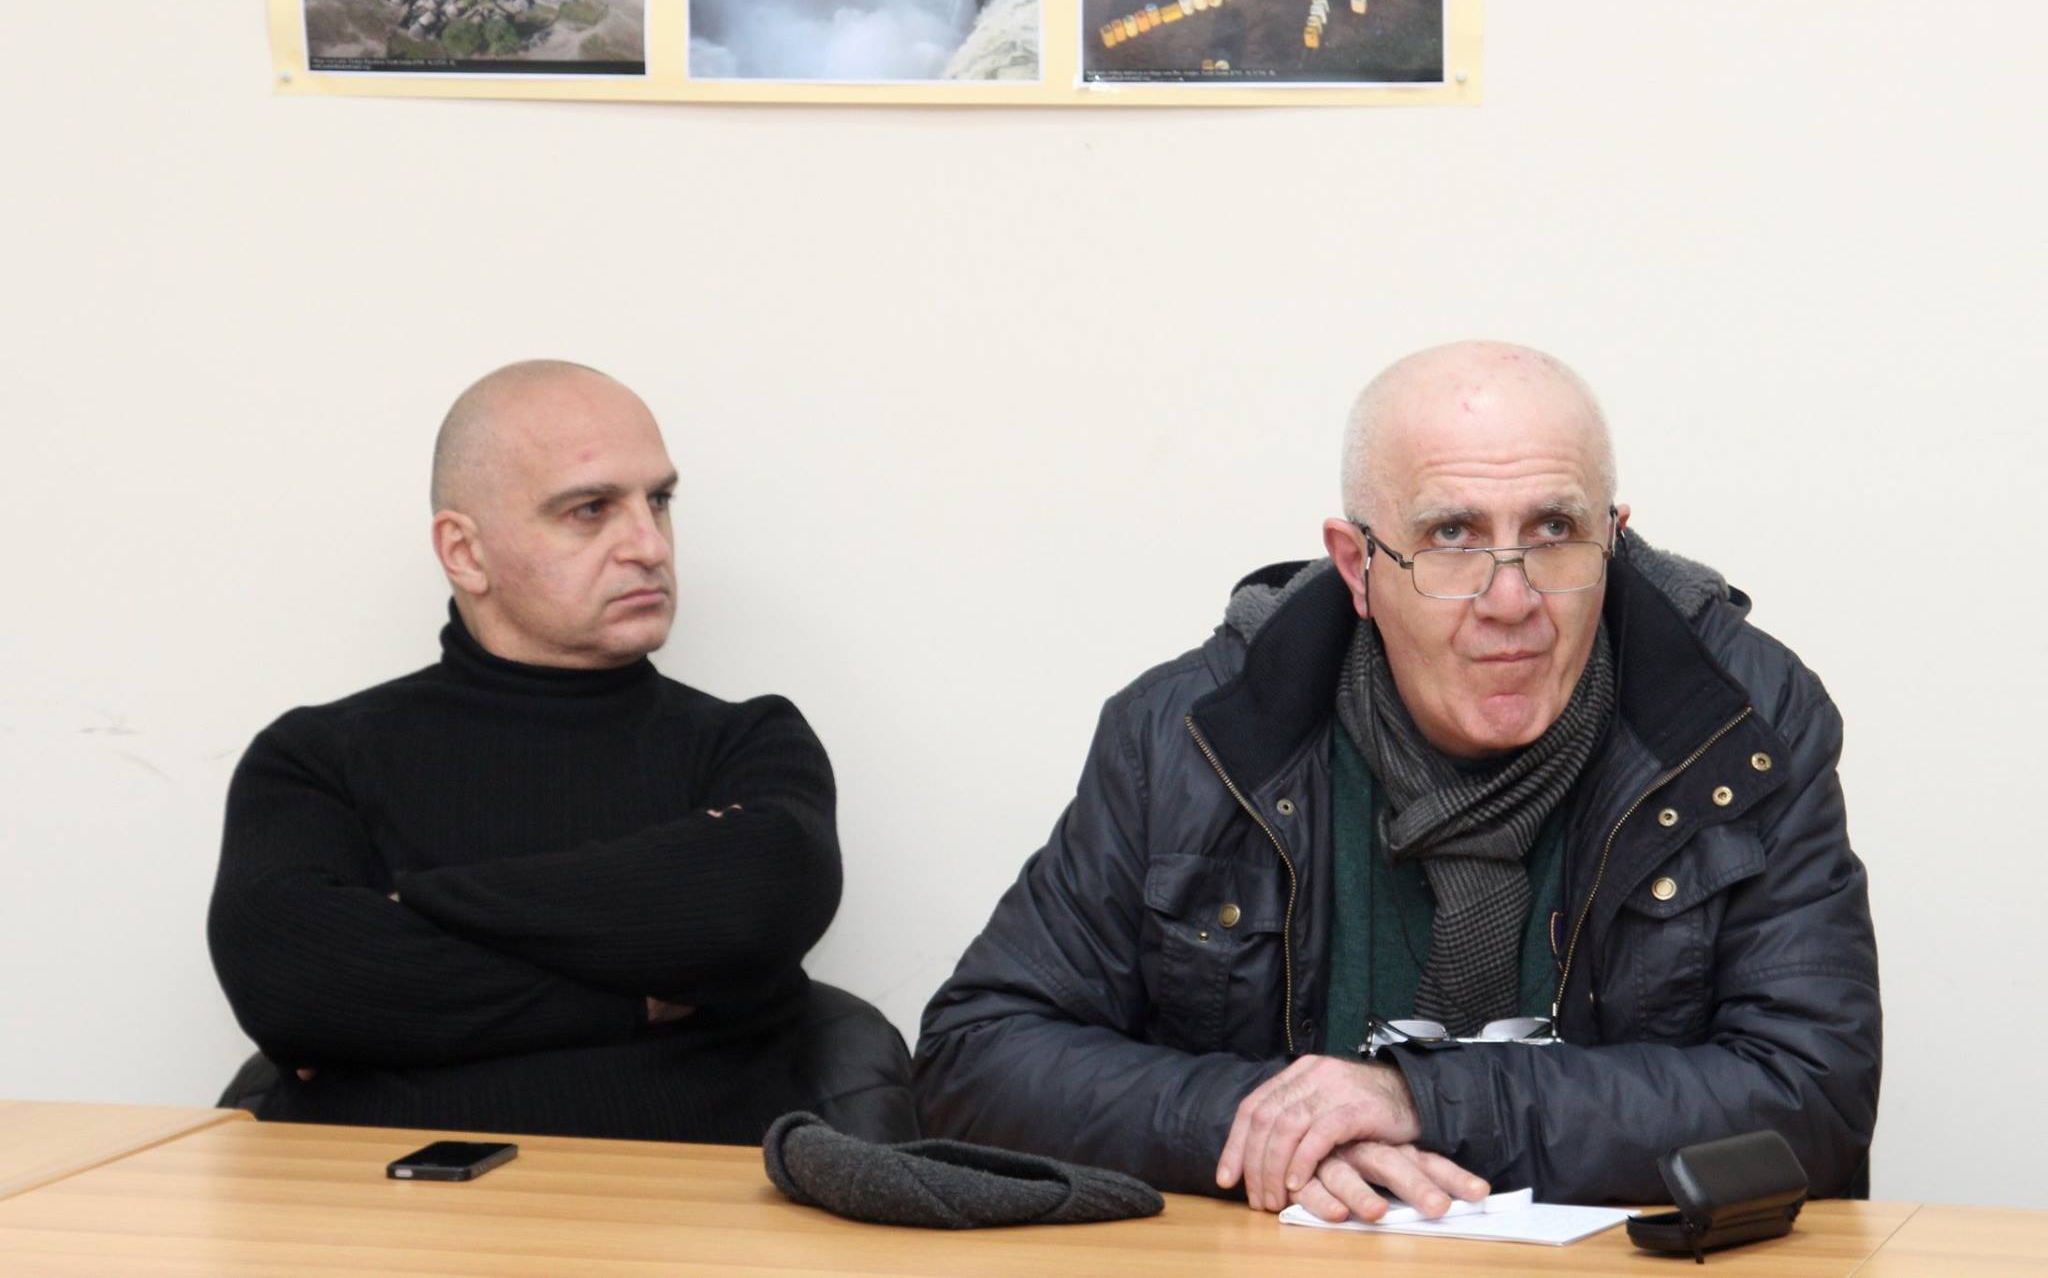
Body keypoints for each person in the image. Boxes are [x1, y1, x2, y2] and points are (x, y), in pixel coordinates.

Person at [915, 342, 1879, 1217]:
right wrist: (1271, 1123)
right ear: (1358, 568)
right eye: (1453, 535)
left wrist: (1423, 1100)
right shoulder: (1188, 739)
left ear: (1614, 541)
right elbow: (976, 1055)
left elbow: (1815, 1097)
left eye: (1555, 529)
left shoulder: (1741, 725)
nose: (1512, 598)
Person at [208, 360, 913, 1143]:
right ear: (465, 552)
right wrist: (634, 997)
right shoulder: (315, 758)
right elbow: (292, 982)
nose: (648, 544)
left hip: (689, 1208)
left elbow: (748, 911)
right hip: (381, 1207)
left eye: (659, 500)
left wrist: (418, 903)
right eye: (590, 509)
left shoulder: (748, 740)